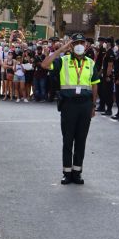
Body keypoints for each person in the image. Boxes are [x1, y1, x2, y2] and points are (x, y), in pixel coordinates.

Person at [42, 33, 99, 184]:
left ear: (86, 45)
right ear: (71, 45)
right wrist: (61, 50)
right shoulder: (63, 60)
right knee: (68, 140)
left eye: (82, 43)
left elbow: (94, 85)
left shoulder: (90, 62)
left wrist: (93, 105)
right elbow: (44, 65)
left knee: (81, 140)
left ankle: (77, 172)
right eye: (76, 43)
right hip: (69, 105)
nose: (79, 45)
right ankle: (67, 172)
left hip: (85, 105)